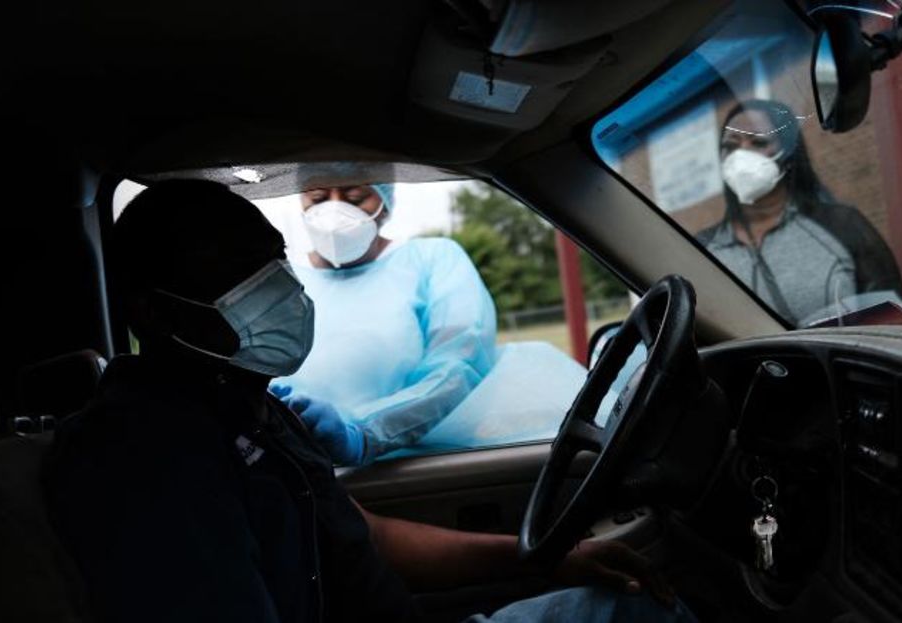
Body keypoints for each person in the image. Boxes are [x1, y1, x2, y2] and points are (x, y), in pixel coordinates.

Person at [44, 179, 693, 623]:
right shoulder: (145, 456)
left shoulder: (246, 403)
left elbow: (365, 537)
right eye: (230, 273)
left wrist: (550, 556)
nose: (271, 292)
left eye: (270, 265)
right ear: (150, 310)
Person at [271, 183, 496, 465]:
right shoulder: (279, 280)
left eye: (355, 197)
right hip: (302, 469)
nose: (334, 211)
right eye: (318, 197)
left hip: (414, 466)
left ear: (385, 201)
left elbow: (459, 367)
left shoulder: (432, 260)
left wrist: (365, 433)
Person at [696, 99, 902, 326]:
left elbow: (897, 324)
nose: (740, 156)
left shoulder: (842, 225)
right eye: (730, 146)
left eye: (758, 142)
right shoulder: (703, 250)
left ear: (788, 156)